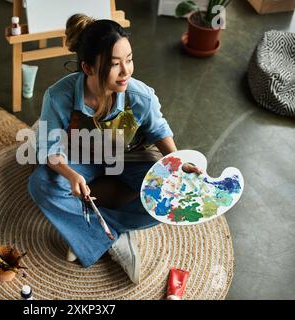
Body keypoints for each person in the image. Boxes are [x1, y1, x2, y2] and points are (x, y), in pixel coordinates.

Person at [27, 14, 201, 284]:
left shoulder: (139, 95)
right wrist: (71, 175)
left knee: (175, 195)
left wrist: (178, 163)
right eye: (114, 64)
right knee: (40, 184)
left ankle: (99, 231)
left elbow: (159, 131)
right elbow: (49, 147)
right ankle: (108, 236)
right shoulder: (59, 96)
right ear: (88, 68)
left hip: (128, 155)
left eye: (129, 60)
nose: (126, 72)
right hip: (79, 156)